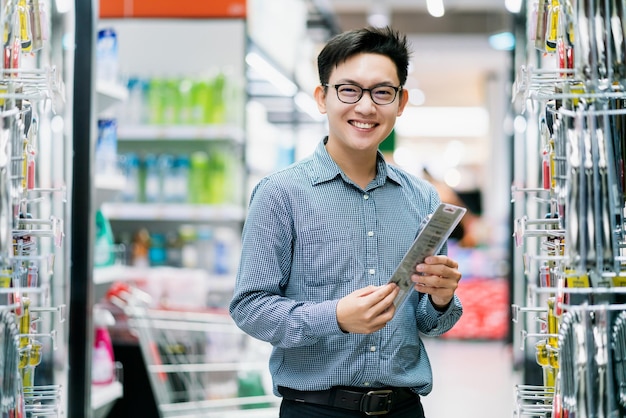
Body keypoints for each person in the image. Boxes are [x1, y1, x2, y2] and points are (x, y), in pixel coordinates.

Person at [229, 26, 463, 418]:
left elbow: (428, 323)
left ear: (400, 101)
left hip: (405, 408)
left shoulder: (421, 198)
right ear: (323, 97)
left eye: (382, 92)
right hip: (315, 409)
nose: (366, 107)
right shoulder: (280, 194)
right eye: (349, 90)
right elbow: (250, 307)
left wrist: (440, 299)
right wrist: (334, 317)